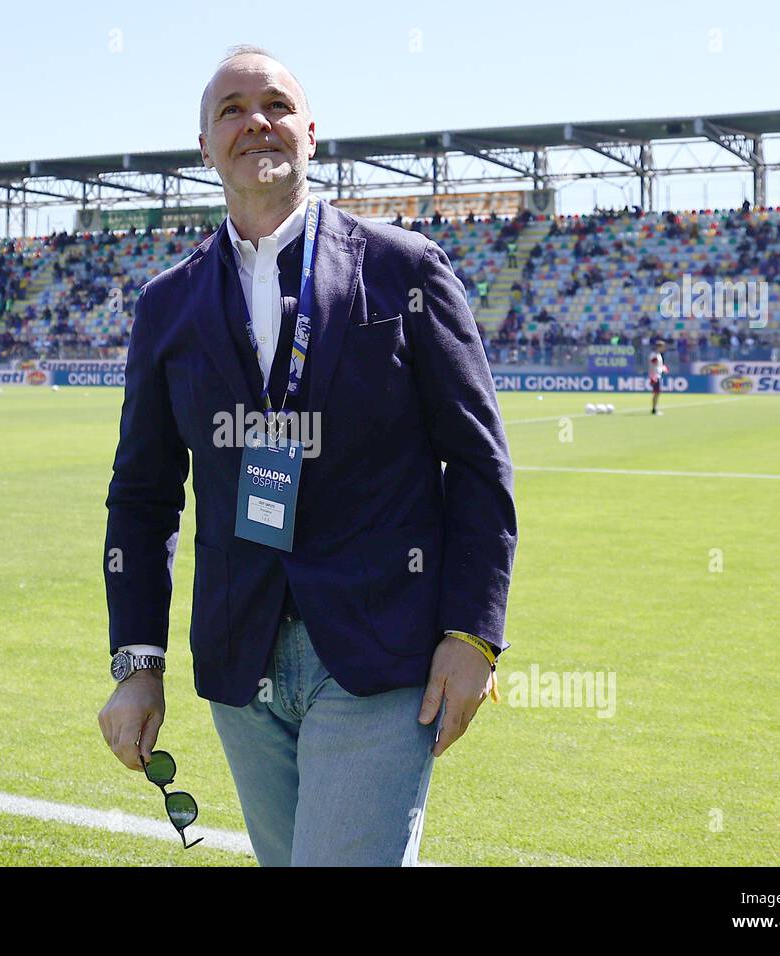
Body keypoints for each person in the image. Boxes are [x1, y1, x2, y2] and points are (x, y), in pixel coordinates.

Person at [98, 45, 516, 867]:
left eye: (277, 105)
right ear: (205, 145)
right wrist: (137, 662)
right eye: (231, 109)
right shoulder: (166, 305)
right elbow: (143, 496)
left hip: (378, 651)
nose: (256, 120)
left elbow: (477, 461)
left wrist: (473, 634)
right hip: (239, 661)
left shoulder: (404, 269)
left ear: (312, 134)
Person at [648, 339, 668, 415]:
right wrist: (653, 375)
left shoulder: (658, 355)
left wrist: (663, 368)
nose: (664, 348)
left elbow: (657, 365)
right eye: (663, 347)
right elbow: (653, 364)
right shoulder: (654, 355)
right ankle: (654, 409)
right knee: (656, 393)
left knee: (657, 393)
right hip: (655, 376)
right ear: (659, 347)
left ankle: (654, 409)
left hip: (657, 375)